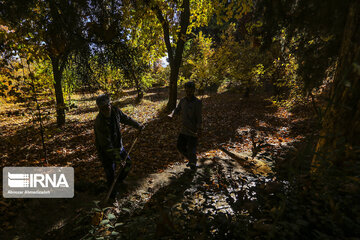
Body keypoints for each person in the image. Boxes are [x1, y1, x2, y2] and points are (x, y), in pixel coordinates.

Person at [94, 94, 143, 197]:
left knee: (127, 164)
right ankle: (112, 195)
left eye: (106, 107)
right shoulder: (99, 122)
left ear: (110, 104)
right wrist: (118, 159)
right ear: (99, 108)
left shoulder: (116, 111)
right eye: (102, 108)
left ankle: (119, 182)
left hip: (118, 146)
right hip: (106, 153)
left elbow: (126, 119)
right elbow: (106, 145)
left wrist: (137, 125)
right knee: (110, 173)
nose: (105, 110)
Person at [168, 81, 202, 170]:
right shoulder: (183, 100)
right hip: (184, 129)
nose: (188, 92)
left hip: (193, 130)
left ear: (194, 90)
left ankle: (192, 164)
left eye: (190, 90)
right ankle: (192, 160)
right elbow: (177, 109)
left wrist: (199, 128)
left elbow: (199, 117)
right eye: (187, 90)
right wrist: (172, 114)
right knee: (180, 146)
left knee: (191, 149)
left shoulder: (197, 102)